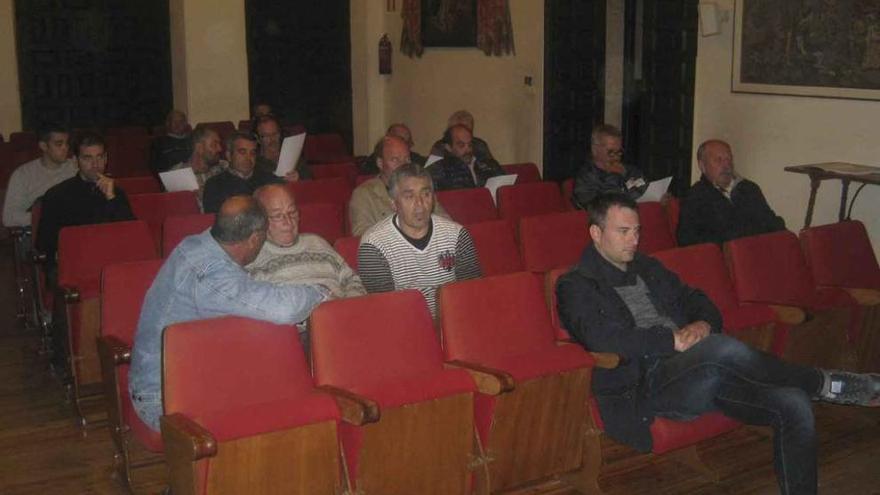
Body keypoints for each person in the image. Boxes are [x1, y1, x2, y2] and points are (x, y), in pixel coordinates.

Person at [556, 192, 880, 495]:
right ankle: (826, 382)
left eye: (637, 230)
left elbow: (696, 298)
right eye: (623, 231)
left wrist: (702, 323)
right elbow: (600, 337)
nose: (634, 239)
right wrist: (671, 340)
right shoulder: (576, 283)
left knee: (794, 403)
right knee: (721, 348)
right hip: (647, 382)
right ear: (596, 233)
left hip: (703, 371)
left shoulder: (648, 267)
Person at [128, 195, 330, 431]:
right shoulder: (210, 275)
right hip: (162, 398)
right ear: (255, 239)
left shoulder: (197, 244)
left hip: (193, 375)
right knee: (284, 399)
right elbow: (284, 309)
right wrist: (320, 291)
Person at [358, 163, 480, 317]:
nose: (420, 204)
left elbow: (472, 294)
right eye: (409, 196)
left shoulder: (456, 235)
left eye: (426, 194)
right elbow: (383, 310)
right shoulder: (374, 245)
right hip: (404, 325)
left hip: (454, 320)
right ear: (394, 204)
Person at [247, 184, 364, 320]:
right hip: (298, 331)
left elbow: (352, 279)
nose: (288, 222)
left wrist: (348, 307)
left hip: (345, 318)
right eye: (278, 216)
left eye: (292, 212)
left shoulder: (317, 242)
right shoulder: (253, 257)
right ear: (260, 220)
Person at [36, 131, 134, 267]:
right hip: (76, 264)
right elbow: (44, 244)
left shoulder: (116, 193)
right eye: (87, 158)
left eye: (100, 157)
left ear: (106, 158)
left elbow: (132, 236)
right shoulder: (57, 195)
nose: (95, 164)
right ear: (76, 161)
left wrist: (111, 199)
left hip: (113, 261)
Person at [677, 139, 786, 246]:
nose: (726, 165)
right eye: (718, 160)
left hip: (759, 252)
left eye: (729, 159)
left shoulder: (749, 189)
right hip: (723, 258)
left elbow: (772, 223)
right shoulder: (695, 196)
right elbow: (688, 240)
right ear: (702, 166)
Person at [2, 123, 76, 228]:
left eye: (67, 143)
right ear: (43, 146)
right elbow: (9, 218)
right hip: (40, 231)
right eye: (59, 144)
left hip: (73, 230)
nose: (65, 148)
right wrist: (46, 217)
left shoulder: (75, 167)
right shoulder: (23, 174)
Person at [202, 132, 284, 214]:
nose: (248, 158)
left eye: (252, 153)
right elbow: (215, 219)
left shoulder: (268, 179)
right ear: (229, 156)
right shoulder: (214, 185)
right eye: (242, 152)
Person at [571, 124, 647, 209]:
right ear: (595, 150)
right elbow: (605, 206)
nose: (616, 157)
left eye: (619, 151)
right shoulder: (585, 177)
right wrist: (613, 175)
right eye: (610, 152)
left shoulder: (630, 170)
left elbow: (643, 192)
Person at [427, 124, 504, 191]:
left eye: (470, 145)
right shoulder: (438, 170)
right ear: (449, 147)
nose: (468, 150)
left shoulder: (489, 165)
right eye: (461, 145)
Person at [168, 127, 227, 210]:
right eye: (214, 144)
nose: (220, 149)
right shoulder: (177, 174)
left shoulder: (224, 168)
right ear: (199, 148)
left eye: (219, 144)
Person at [253, 114, 310, 180]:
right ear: (258, 139)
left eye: (275, 134)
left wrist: (299, 177)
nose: (272, 139)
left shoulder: (293, 156)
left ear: (280, 133)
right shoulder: (254, 163)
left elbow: (310, 181)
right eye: (266, 136)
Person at [359, 123, 427, 175]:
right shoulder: (371, 164)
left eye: (407, 142)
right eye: (395, 159)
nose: (403, 165)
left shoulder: (414, 158)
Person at [429, 109, 495, 163]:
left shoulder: (480, 145)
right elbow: (431, 173)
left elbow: (493, 168)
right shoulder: (439, 147)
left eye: (467, 130)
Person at [149, 110, 192, 177]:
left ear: (185, 124)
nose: (177, 125)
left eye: (180, 122)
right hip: (170, 175)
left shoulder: (192, 140)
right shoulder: (159, 142)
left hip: (192, 173)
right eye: (174, 121)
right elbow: (155, 166)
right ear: (168, 123)